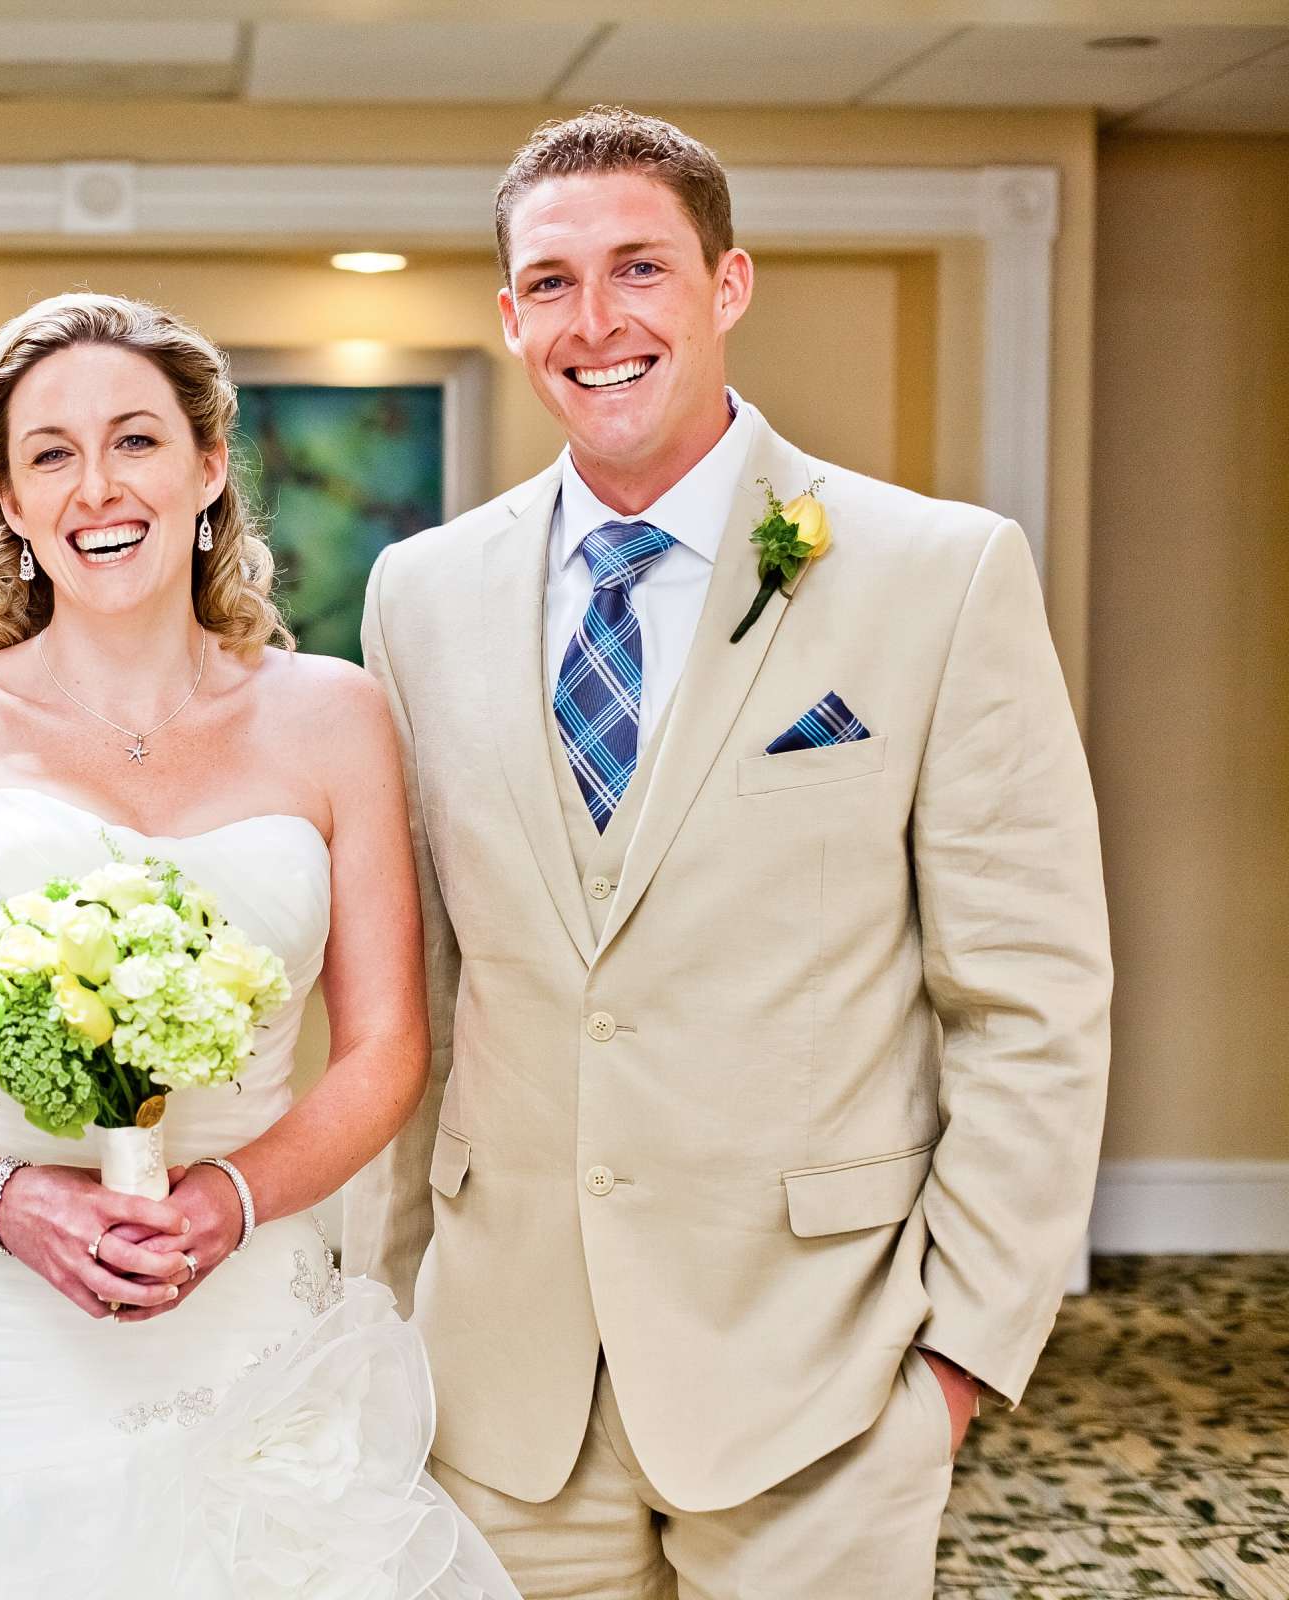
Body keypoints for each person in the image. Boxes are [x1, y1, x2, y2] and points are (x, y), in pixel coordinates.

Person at [341, 106, 1112, 1598]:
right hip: (503, 1390)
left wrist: (957, 1358)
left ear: (728, 285)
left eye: (641, 268)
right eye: (552, 283)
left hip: (819, 1384)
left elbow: (1030, 998)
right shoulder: (418, 594)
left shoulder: (936, 574)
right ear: (509, 318)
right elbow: (419, 995)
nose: (597, 319)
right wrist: (388, 1314)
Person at [0, 293, 515, 1599]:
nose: (97, 485)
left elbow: (388, 1046)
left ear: (210, 468)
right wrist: (12, 1206)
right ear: (4, 498)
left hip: (244, 1297)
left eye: (136, 441)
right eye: (49, 452)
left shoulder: (334, 718)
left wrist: (226, 1203)